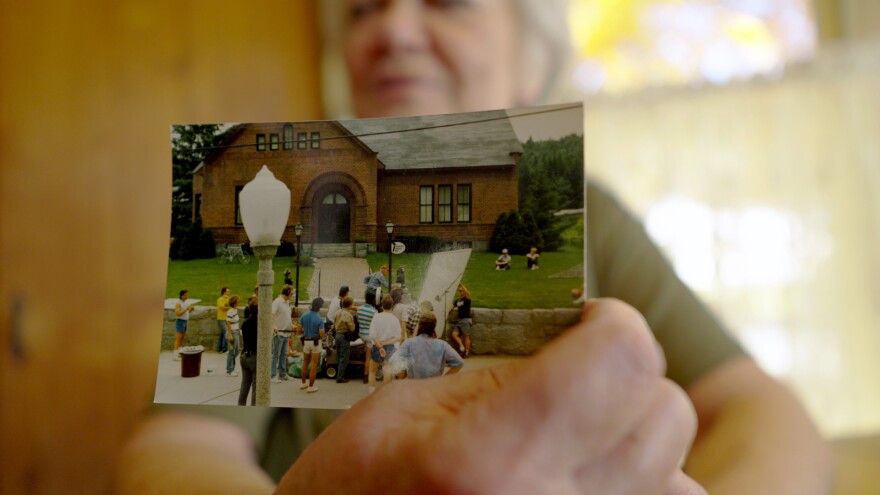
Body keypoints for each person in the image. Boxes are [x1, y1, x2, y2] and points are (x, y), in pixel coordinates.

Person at [124, 1, 831, 493]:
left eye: (448, 0)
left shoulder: (596, 222)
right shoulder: (274, 223)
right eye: (364, 8)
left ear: (533, 58)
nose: (392, 29)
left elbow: (760, 411)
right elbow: (177, 445)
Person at [391, 314, 463, 379]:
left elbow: (394, 360)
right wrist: (442, 380)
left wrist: (402, 375)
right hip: (433, 388)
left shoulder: (409, 343)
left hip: (413, 387)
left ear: (419, 326)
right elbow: (459, 362)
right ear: (434, 327)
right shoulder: (442, 345)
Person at [367, 295, 400, 393]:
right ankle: (385, 395)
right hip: (390, 347)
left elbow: (372, 334)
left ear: (381, 305)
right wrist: (385, 343)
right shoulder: (395, 319)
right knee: (387, 371)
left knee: (372, 371)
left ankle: (371, 393)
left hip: (377, 345)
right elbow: (397, 337)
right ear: (392, 306)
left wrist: (380, 346)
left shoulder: (376, 317)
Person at [299, 298, 325, 393]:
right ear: (319, 307)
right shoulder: (319, 318)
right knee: (314, 364)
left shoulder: (304, 315)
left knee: (305, 363)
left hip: (306, 341)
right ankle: (311, 387)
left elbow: (298, 330)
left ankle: (303, 383)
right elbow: (322, 334)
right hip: (315, 342)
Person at [271, 286, 295, 383]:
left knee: (284, 354)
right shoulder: (277, 302)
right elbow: (271, 314)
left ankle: (283, 374)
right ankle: (272, 375)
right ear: (287, 292)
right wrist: (274, 326)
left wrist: (292, 325)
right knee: (275, 354)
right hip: (279, 332)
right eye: (292, 293)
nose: (292, 295)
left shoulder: (287, 302)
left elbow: (287, 316)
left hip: (286, 332)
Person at [238, 297, 259, 406]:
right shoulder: (260, 325)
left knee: (244, 385)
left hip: (244, 356)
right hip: (255, 357)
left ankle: (240, 405)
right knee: (256, 388)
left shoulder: (245, 323)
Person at [332, 296, 357, 384]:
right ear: (350, 305)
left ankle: (339, 373)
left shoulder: (337, 312)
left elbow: (333, 323)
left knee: (339, 355)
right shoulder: (348, 315)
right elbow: (352, 328)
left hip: (337, 335)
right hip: (344, 336)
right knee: (344, 357)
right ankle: (340, 377)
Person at [356, 299, 378, 383]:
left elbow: (358, 320)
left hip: (361, 334)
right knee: (368, 357)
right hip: (369, 336)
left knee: (367, 351)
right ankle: (366, 375)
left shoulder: (359, 308)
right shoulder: (374, 311)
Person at [173, 289, 195, 360]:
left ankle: (179, 353)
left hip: (184, 321)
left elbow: (186, 311)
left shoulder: (185, 302)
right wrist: (186, 309)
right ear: (181, 296)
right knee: (178, 338)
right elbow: (177, 313)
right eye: (185, 295)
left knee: (182, 338)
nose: (187, 296)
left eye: (187, 295)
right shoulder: (178, 303)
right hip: (180, 321)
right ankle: (175, 355)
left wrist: (190, 309)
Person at [450, 284, 472, 357]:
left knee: (466, 336)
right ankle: (462, 347)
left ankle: (467, 352)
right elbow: (452, 307)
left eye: (461, 290)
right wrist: (449, 310)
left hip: (466, 320)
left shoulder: (467, 299)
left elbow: (467, 293)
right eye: (459, 290)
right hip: (459, 320)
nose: (459, 292)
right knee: (454, 334)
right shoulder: (457, 300)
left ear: (464, 291)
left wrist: (462, 285)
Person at [225, 295, 241, 377]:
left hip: (236, 331)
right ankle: (229, 370)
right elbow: (228, 323)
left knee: (237, 350)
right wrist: (229, 334)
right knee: (231, 351)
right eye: (238, 301)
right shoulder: (230, 311)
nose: (239, 302)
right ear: (234, 303)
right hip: (232, 332)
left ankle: (233, 367)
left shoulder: (235, 310)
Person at [215, 286, 231, 353]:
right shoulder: (220, 299)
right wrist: (229, 307)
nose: (229, 292)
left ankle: (219, 348)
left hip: (227, 318)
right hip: (221, 318)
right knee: (226, 333)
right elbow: (222, 308)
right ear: (224, 292)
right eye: (228, 291)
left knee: (222, 334)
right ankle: (226, 348)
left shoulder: (229, 299)